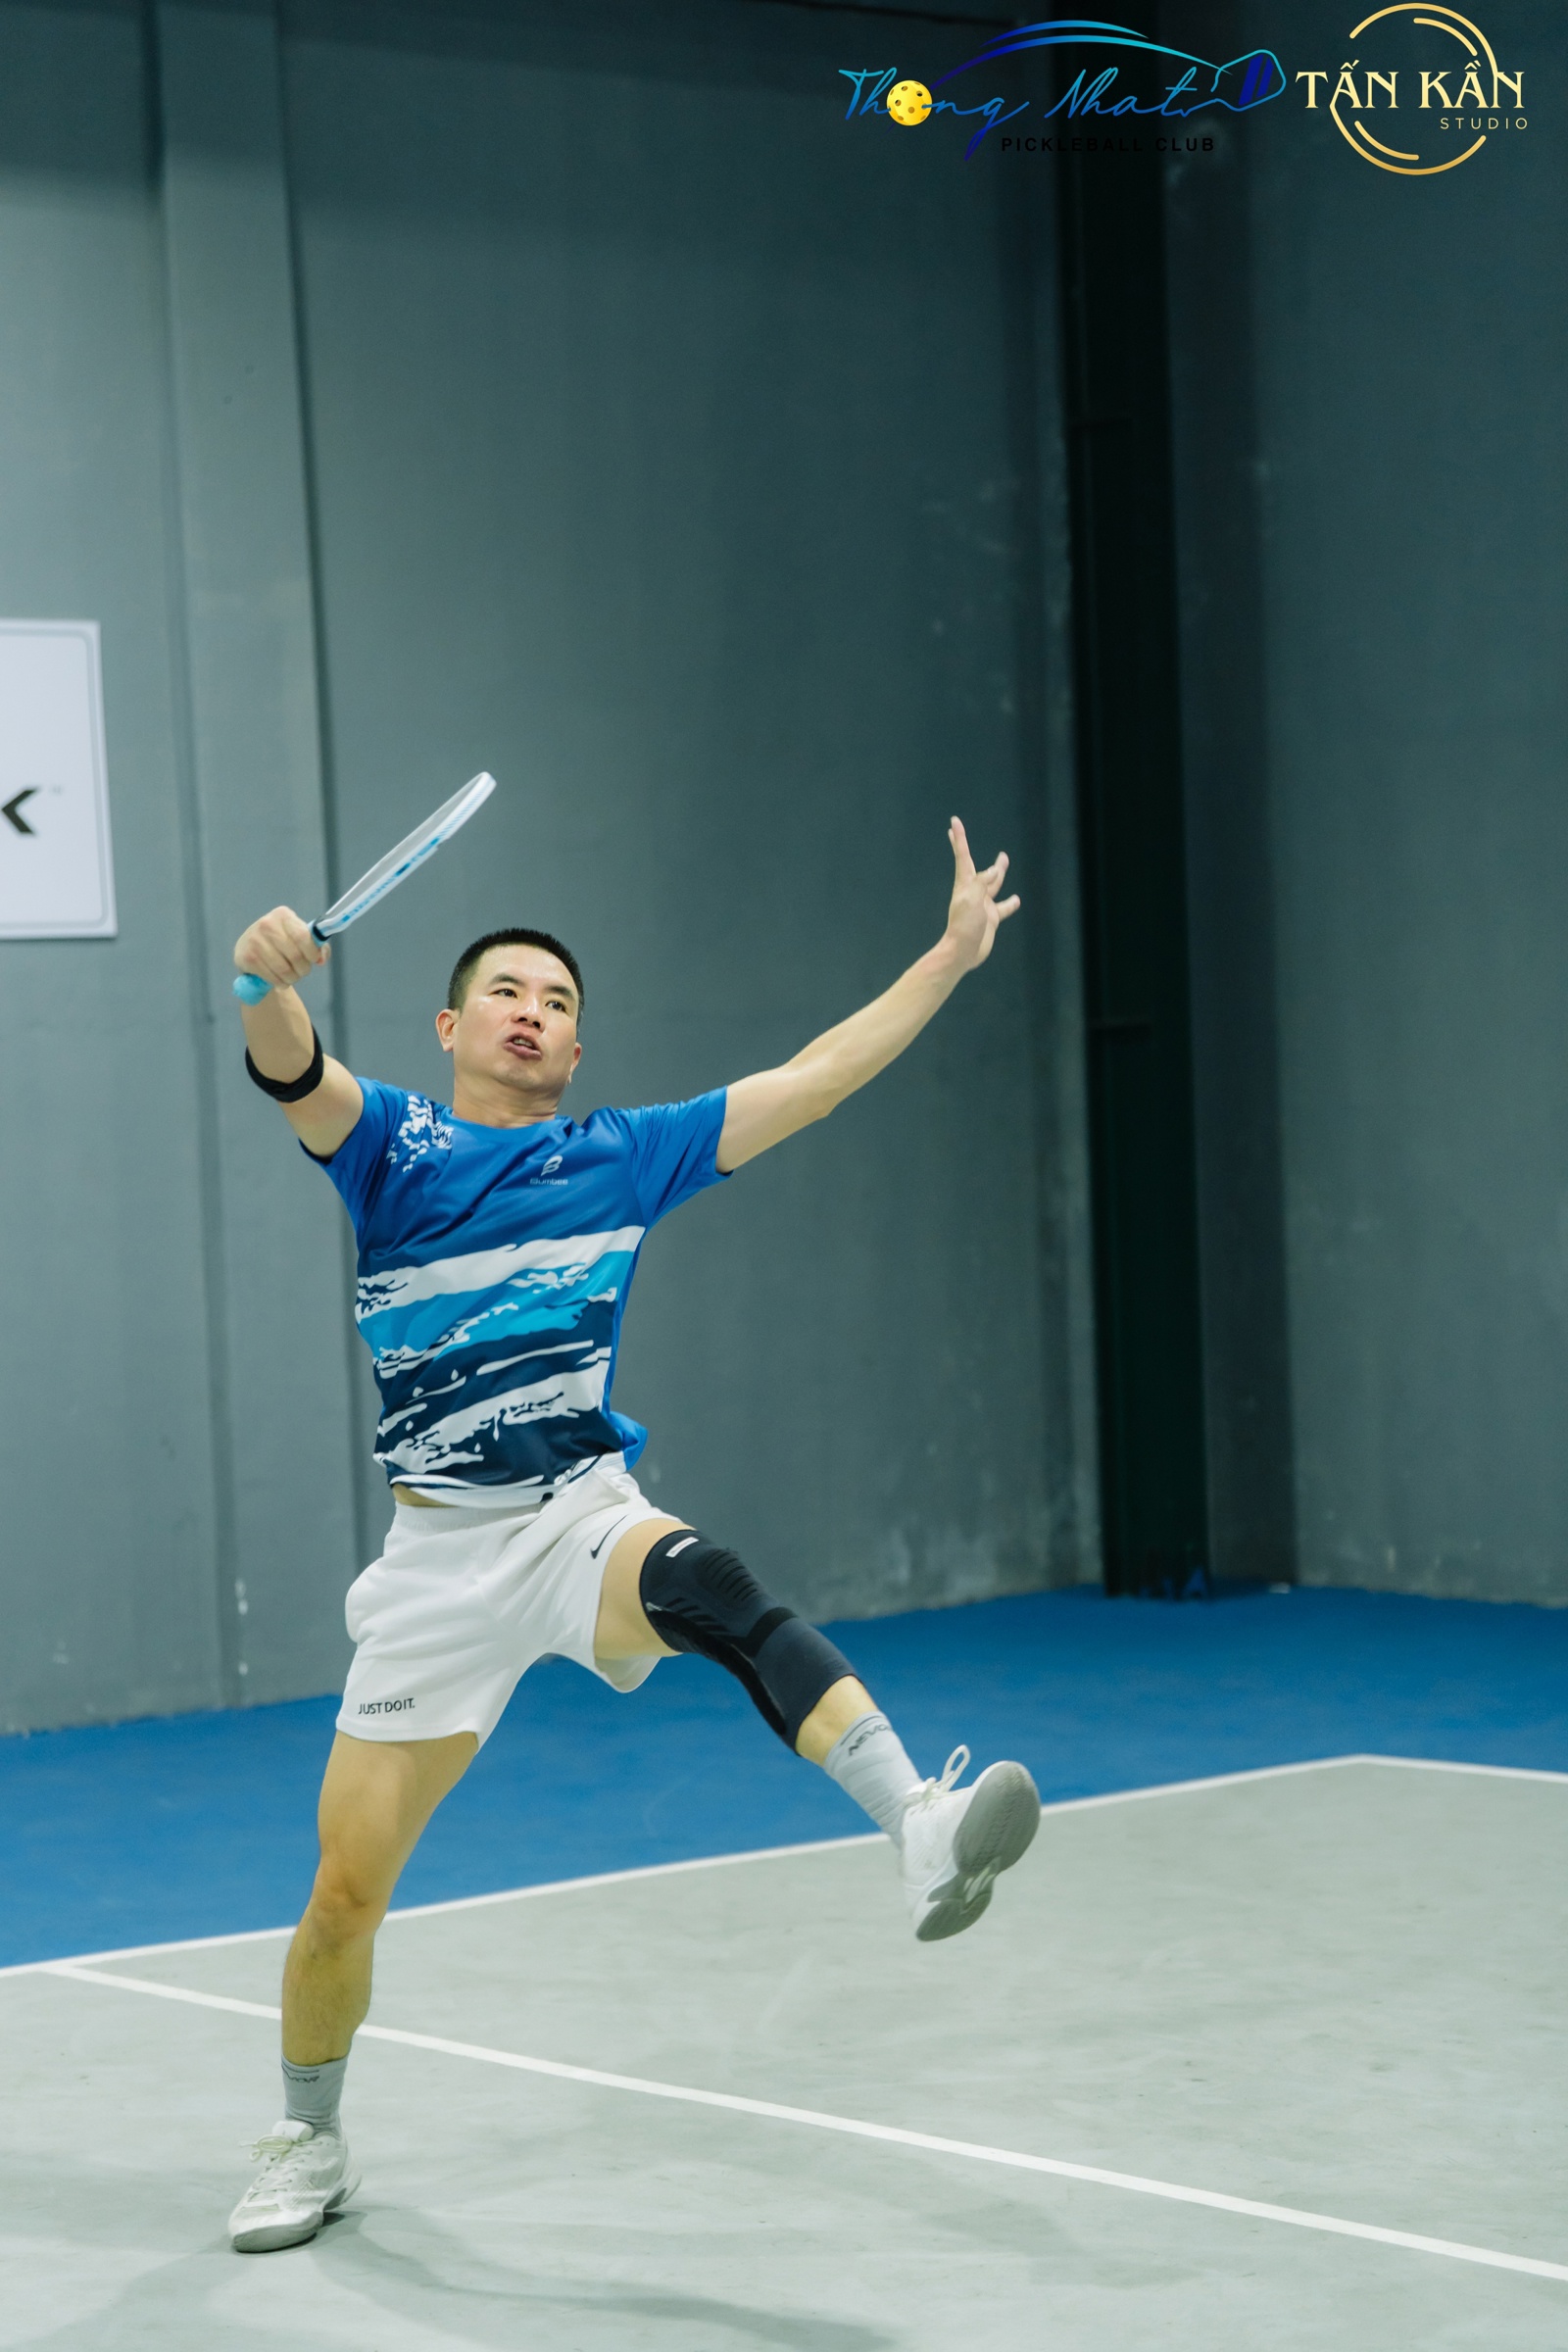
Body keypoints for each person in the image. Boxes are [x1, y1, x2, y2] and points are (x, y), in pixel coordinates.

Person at [225, 815, 1039, 2254]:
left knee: (712, 1586)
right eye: (506, 991)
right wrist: (261, 976)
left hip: (573, 1520)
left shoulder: (625, 1155)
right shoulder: (391, 1146)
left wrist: (950, 958)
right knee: (344, 1896)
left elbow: (816, 1076)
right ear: (451, 1026)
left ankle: (917, 1822)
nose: (531, 1013)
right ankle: (308, 2132)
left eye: (558, 1002)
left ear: (576, 1049)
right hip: (435, 1567)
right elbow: (291, 1065)